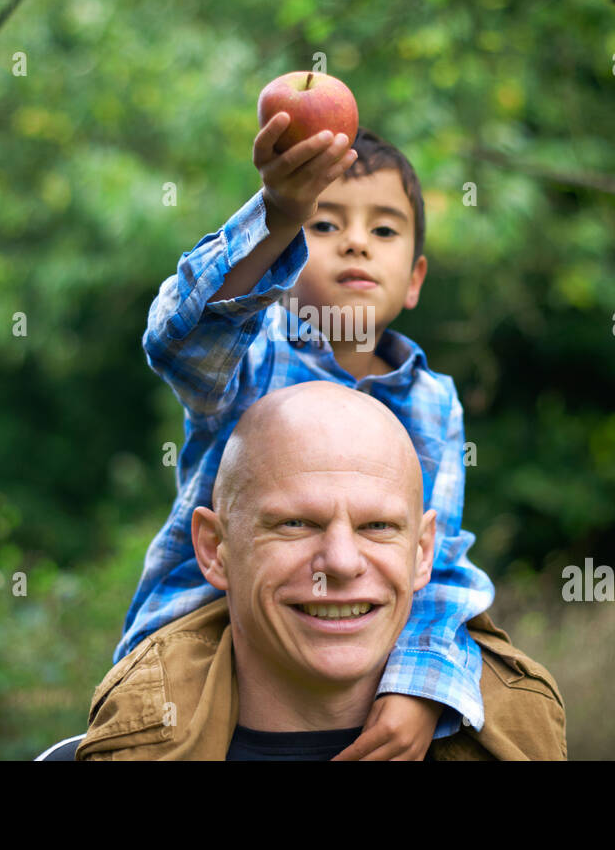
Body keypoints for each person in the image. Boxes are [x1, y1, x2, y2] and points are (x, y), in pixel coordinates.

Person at [114, 115, 496, 758]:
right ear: (287, 255)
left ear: (415, 279)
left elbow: (440, 562)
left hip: (368, 626)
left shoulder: (433, 402)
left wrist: (421, 685)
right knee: (154, 735)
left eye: (383, 229)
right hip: (207, 628)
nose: (355, 243)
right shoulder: (251, 359)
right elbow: (179, 338)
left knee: (512, 696)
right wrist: (276, 211)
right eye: (324, 224)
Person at [77, 382, 565, 760]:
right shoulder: (115, 747)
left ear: (422, 552)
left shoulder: (518, 741)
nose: (341, 562)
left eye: (377, 526)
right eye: (295, 524)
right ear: (214, 548)